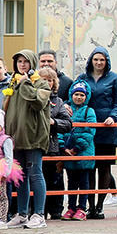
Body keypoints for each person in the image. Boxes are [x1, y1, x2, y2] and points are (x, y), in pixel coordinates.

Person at [4, 49, 52, 229]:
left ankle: (39, 214)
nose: (22, 65)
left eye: (25, 61)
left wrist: (25, 84)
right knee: (20, 178)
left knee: (36, 175)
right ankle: (22, 213)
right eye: (19, 62)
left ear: (32, 64)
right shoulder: (13, 84)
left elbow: (38, 102)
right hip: (15, 138)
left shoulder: (41, 84)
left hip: (34, 137)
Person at [77, 47, 117, 219]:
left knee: (105, 167)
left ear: (107, 62)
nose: (99, 63)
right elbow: (74, 96)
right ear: (91, 60)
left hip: (107, 127)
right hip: (87, 126)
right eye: (96, 59)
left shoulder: (114, 78)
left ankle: (99, 206)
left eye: (102, 60)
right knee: (89, 167)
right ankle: (89, 206)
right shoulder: (82, 78)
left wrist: (113, 116)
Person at [39, 69, 73, 222]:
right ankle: (38, 210)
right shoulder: (31, 99)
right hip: (34, 146)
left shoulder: (58, 102)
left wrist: (54, 122)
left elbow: (67, 124)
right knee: (37, 180)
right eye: (43, 79)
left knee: (54, 179)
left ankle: (56, 210)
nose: (47, 83)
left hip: (51, 147)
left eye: (50, 80)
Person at [63, 81, 97, 221]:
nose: (78, 97)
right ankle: (71, 207)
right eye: (76, 94)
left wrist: (77, 148)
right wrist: (63, 147)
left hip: (84, 152)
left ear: (86, 96)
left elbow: (89, 131)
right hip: (68, 151)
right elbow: (61, 128)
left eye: (82, 95)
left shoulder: (89, 111)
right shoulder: (65, 110)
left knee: (84, 181)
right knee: (71, 181)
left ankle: (82, 208)